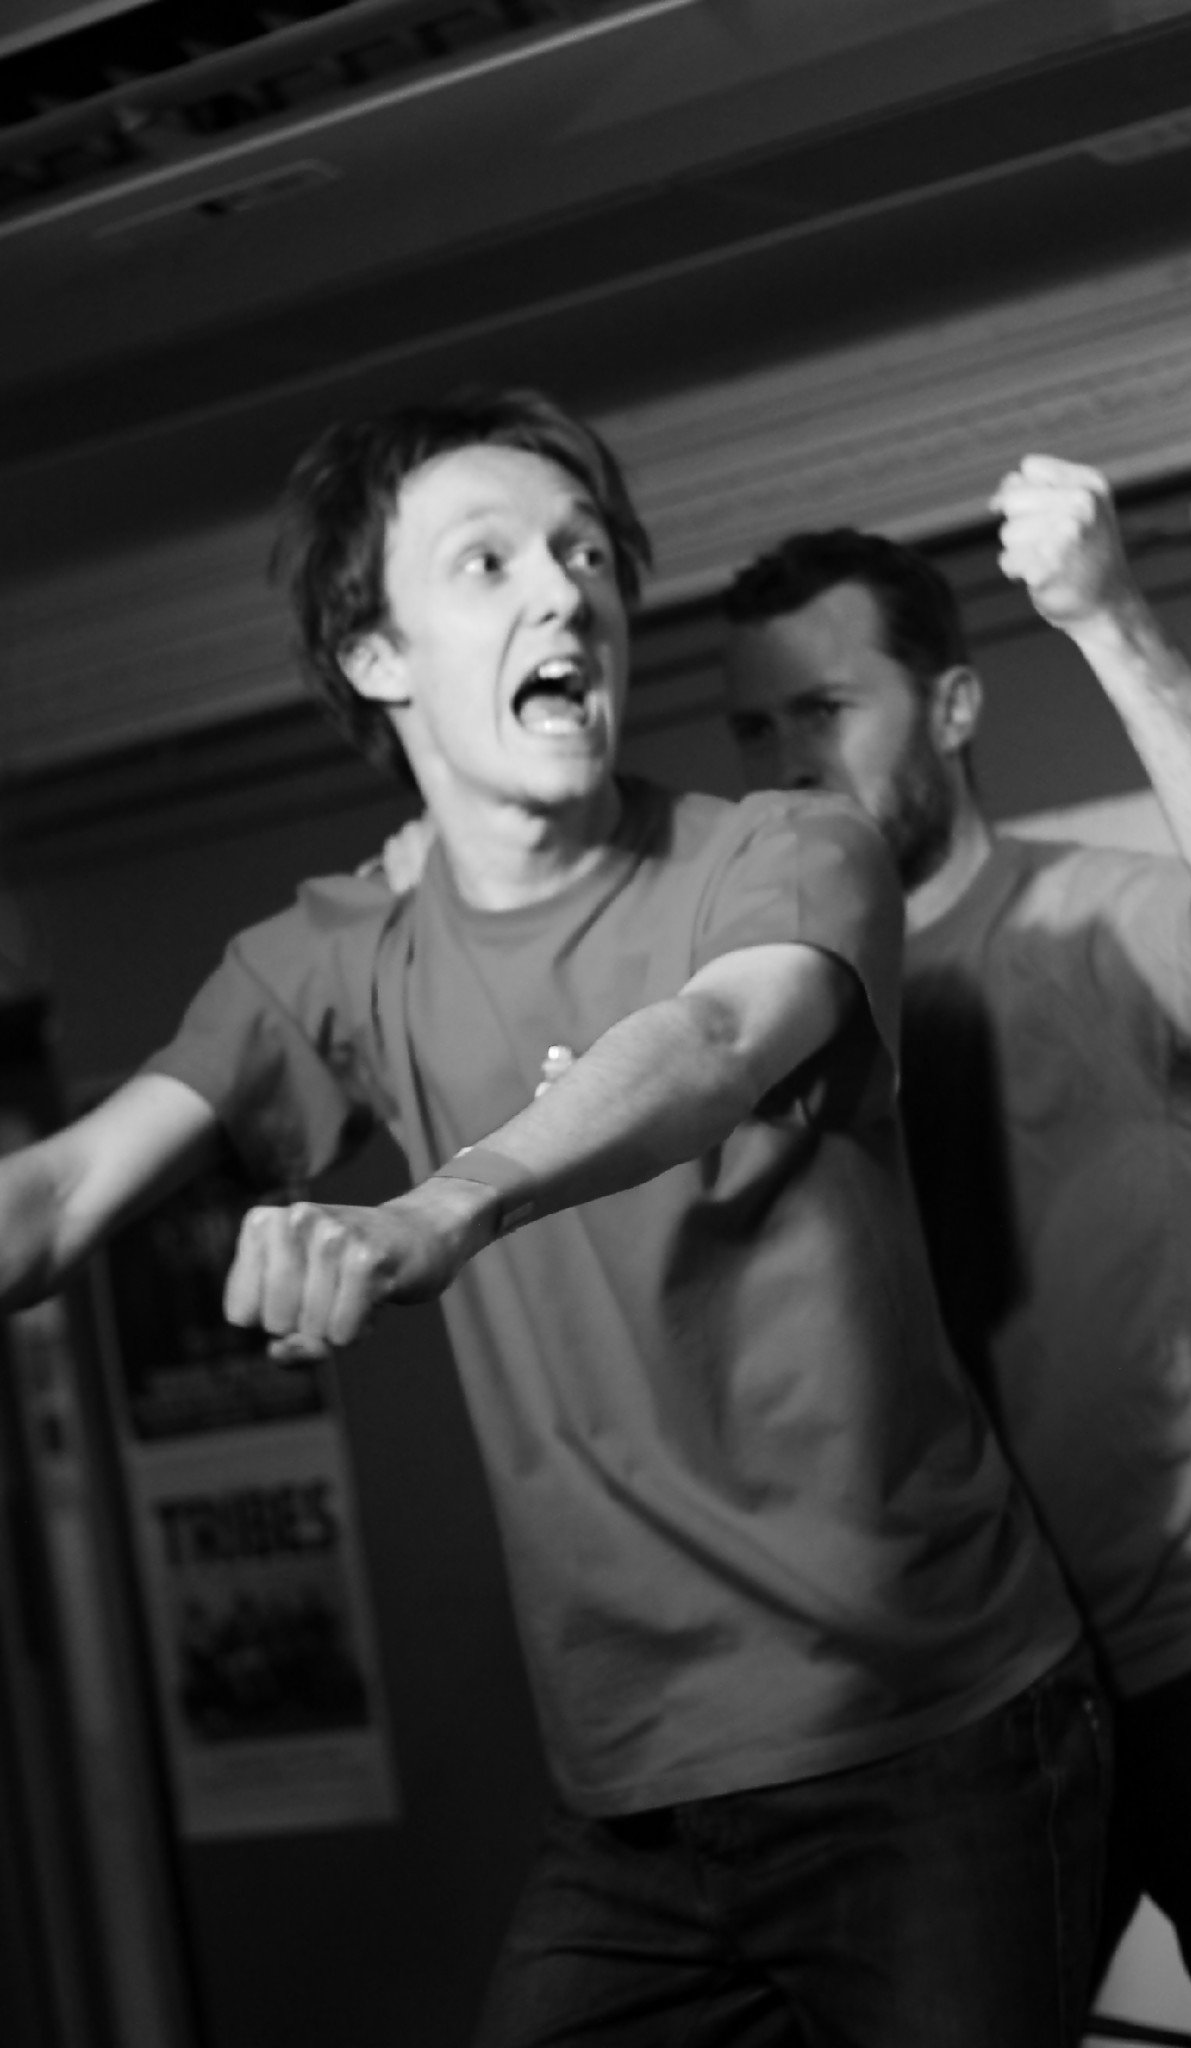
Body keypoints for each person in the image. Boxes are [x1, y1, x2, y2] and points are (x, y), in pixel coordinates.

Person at [0, 395, 1106, 2047]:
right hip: (631, 1802)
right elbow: (59, 1190)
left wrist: (438, 1208)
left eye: (586, 555)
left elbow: (714, 1041)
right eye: (490, 562)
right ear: (378, 656)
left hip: (926, 1735)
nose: (565, 593)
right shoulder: (334, 960)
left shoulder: (785, 849)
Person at [721, 454, 1191, 2048]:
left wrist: (1106, 615)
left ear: (950, 707)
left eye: (826, 709)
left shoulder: (1087, 915)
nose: (788, 758)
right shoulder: (766, 1010)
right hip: (972, 1697)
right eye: (755, 727)